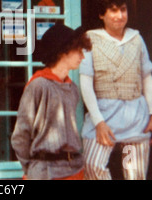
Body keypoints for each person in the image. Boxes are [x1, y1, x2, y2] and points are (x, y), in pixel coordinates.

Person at [80, 0, 152, 180]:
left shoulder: (136, 39)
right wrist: (98, 121)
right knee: (92, 165)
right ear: (102, 14)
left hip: (135, 118)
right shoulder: (90, 39)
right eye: (113, 10)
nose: (119, 16)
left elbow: (146, 78)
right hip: (104, 115)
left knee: (134, 174)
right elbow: (86, 83)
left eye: (123, 10)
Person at [11, 24, 92, 180]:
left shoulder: (72, 88)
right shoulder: (38, 85)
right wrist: (29, 169)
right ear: (64, 51)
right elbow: (21, 134)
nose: (82, 56)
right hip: (46, 172)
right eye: (78, 50)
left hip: (74, 169)